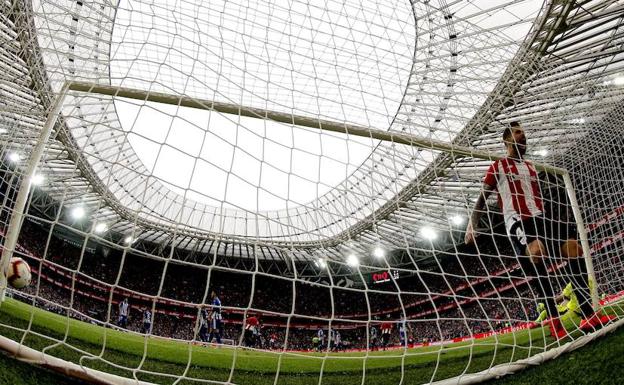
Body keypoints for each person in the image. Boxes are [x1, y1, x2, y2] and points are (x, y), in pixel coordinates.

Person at [465, 121, 612, 337]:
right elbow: (481, 199)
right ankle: (554, 320)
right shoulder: (498, 166)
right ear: (507, 140)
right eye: (518, 134)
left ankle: (587, 313)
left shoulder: (531, 167)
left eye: (524, 134)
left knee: (573, 247)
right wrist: (472, 224)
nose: (524, 137)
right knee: (536, 251)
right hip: (517, 221)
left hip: (540, 218)